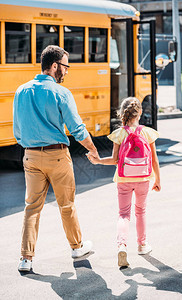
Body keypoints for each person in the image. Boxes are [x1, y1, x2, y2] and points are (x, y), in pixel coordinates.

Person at [13, 45, 99, 272]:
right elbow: (77, 129)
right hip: (58, 156)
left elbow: (18, 132)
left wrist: (32, 147)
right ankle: (77, 247)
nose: (67, 71)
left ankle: (26, 259)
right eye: (65, 66)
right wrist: (93, 150)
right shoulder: (61, 93)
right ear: (54, 66)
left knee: (31, 208)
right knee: (67, 205)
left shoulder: (21, 91)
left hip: (30, 156)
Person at [87, 97, 161, 267]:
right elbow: (155, 160)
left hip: (123, 179)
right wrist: (157, 179)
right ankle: (142, 245)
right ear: (140, 112)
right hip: (143, 178)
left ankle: (122, 245)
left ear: (122, 114)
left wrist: (97, 161)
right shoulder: (147, 132)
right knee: (140, 211)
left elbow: (115, 160)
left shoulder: (119, 133)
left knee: (123, 214)